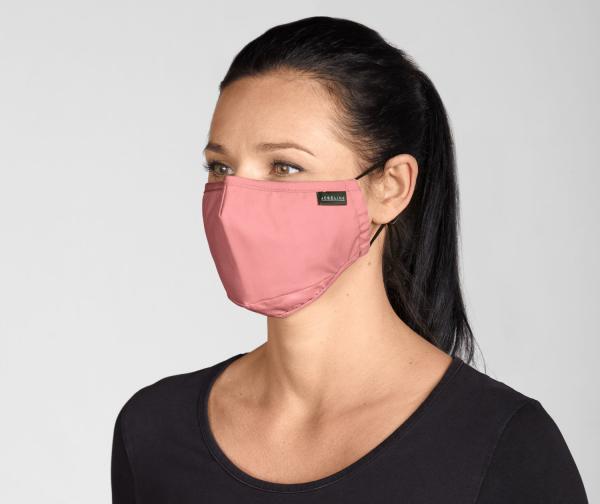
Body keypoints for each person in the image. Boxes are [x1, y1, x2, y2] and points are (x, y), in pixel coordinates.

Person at [110, 16, 589, 503]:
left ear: (391, 187)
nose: (234, 203)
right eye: (221, 167)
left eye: (285, 166)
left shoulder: (503, 445)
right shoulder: (153, 430)